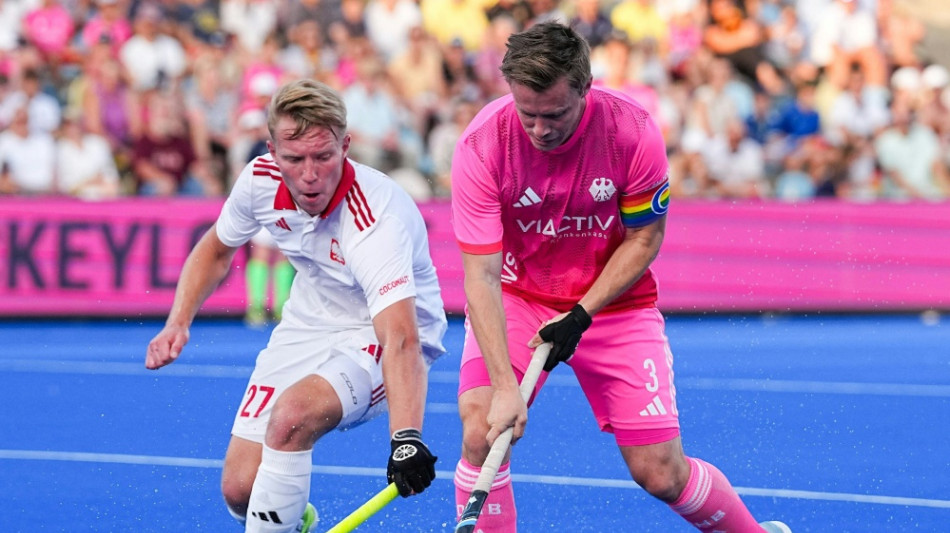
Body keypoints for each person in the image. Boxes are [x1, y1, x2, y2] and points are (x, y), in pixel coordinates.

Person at [449, 22, 790, 532]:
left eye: (555, 114)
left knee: (660, 474)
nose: (540, 130)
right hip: (519, 298)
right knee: (482, 430)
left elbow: (644, 239)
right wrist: (504, 386)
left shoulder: (631, 131)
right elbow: (480, 275)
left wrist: (582, 313)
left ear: (585, 90)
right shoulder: (481, 146)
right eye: (528, 115)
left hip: (611, 304)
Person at [145, 78, 448, 532]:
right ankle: (295, 522)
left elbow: (400, 337)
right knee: (242, 490)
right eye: (294, 159)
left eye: (324, 157)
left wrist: (405, 440)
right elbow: (216, 248)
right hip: (308, 321)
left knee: (291, 418)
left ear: (346, 146)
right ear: (271, 150)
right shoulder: (259, 180)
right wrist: (178, 321)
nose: (310, 174)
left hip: (384, 333)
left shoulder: (374, 218)